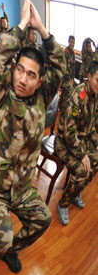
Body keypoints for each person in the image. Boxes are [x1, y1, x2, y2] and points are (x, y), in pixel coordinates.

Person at [0, 0, 65, 275]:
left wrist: (42, 29)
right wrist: (22, 25)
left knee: (42, 220)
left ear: (40, 80)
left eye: (31, 75)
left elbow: (59, 64)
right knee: (1, 236)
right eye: (19, 70)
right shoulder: (0, 95)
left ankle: (10, 251)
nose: (22, 79)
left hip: (21, 189)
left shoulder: (42, 98)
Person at [55, 60, 98, 225]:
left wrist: (96, 144)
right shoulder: (77, 96)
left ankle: (75, 191)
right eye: (97, 80)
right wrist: (83, 154)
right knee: (82, 170)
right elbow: (68, 133)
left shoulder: (94, 96)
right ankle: (63, 203)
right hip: (64, 143)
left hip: (80, 140)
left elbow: (91, 128)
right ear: (88, 77)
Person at [60, 35, 77, 106]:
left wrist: (72, 79)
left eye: (73, 43)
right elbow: (63, 68)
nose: (72, 44)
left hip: (70, 78)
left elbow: (73, 68)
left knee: (77, 87)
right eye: (71, 42)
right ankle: (64, 106)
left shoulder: (72, 53)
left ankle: (62, 103)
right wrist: (69, 79)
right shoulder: (65, 52)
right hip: (64, 78)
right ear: (68, 42)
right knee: (72, 91)